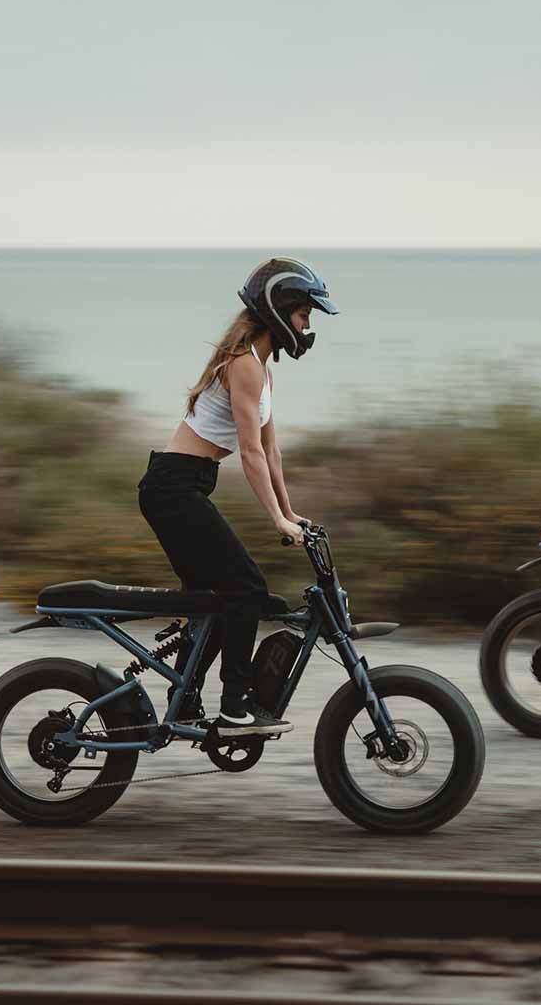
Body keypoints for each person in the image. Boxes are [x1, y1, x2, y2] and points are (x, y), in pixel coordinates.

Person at [138, 256, 337, 735]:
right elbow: (248, 452)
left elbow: (272, 451)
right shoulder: (244, 366)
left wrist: (292, 514)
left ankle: (183, 701)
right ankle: (233, 704)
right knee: (246, 587)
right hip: (173, 488)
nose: (308, 324)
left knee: (217, 597)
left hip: (186, 485)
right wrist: (276, 521)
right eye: (304, 313)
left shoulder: (263, 370)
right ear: (279, 309)